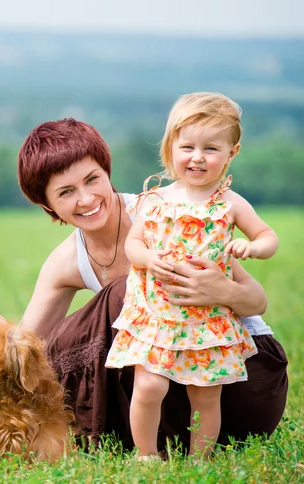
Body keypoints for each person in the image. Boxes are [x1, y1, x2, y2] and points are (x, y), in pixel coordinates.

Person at [17, 116, 288, 453]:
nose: (86, 199)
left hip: (243, 380)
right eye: (67, 192)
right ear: (48, 205)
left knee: (126, 290)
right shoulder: (66, 261)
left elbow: (257, 300)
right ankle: (108, 435)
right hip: (170, 397)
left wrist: (222, 291)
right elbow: (24, 348)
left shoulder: (166, 213)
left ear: (107, 172)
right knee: (48, 352)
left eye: (92, 179)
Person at [104, 93, 279, 459]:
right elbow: (132, 246)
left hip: (207, 319)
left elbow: (267, 237)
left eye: (211, 148)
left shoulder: (229, 203)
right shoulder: (154, 200)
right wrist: (149, 259)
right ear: (170, 148)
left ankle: (200, 459)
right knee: (148, 385)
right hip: (158, 314)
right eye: (188, 147)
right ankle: (146, 455)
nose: (197, 157)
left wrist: (253, 248)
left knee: (206, 393)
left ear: (232, 153)